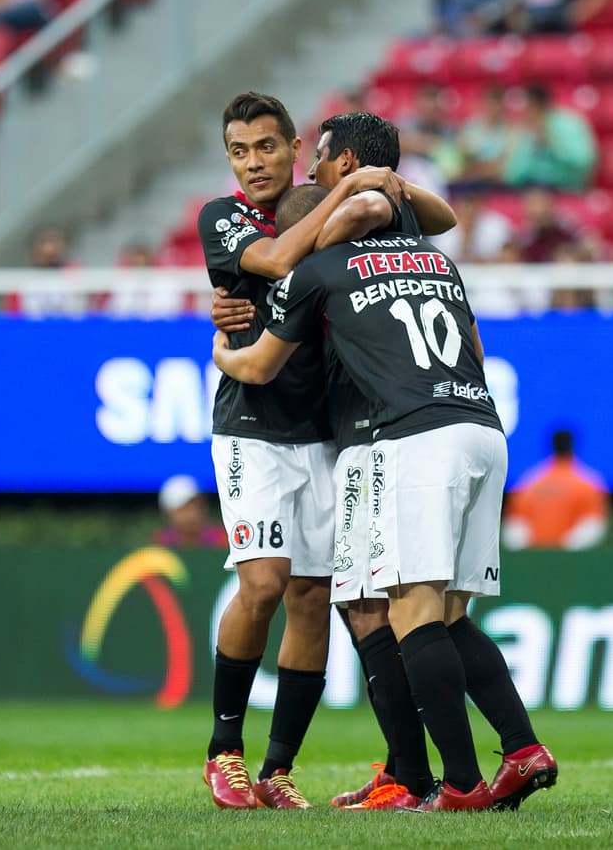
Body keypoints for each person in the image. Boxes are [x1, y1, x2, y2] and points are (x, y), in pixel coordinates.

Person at [213, 113, 557, 811]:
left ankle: (455, 784)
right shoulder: (436, 259)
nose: (303, 171)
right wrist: (377, 189)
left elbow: (256, 358)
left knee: (410, 612)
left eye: (311, 160)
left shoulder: (320, 269)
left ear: (332, 165)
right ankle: (518, 751)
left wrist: (218, 350)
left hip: (404, 437)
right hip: (480, 424)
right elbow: (476, 344)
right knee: (448, 616)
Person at [197, 92, 458, 812]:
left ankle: (279, 768)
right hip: (253, 420)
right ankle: (225, 751)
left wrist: (385, 179)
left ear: (292, 147)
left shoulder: (327, 196)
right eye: (239, 151)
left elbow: (442, 219)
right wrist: (350, 186)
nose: (253, 162)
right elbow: (279, 257)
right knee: (263, 583)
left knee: (314, 597)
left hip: (330, 432)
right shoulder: (223, 217)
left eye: (266, 147)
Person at [503, 429, 609, 550]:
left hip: (534, 560)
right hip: (572, 563)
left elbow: (514, 531)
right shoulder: (589, 484)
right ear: (573, 446)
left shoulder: (528, 483)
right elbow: (593, 527)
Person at [152, 474, 227, 548]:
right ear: (168, 512)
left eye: (197, 505)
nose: (191, 513)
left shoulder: (221, 538)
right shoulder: (162, 542)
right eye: (183, 508)